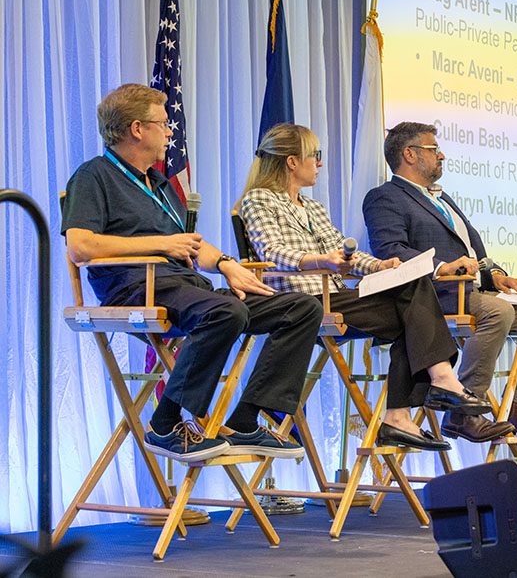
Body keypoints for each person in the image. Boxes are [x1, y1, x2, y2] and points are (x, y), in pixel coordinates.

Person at [61, 83, 324, 463]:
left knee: (300, 308)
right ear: (137, 128)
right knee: (225, 312)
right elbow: (81, 246)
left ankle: (247, 419)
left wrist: (225, 265)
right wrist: (160, 245)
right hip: (135, 286)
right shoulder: (93, 176)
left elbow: (189, 244)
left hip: (184, 286)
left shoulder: (160, 184)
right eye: (163, 124)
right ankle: (165, 424)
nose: (170, 132)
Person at [237, 123, 492, 451]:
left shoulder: (311, 207)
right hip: (302, 300)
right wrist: (322, 261)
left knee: (413, 293)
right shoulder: (258, 200)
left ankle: (402, 414)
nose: (319, 163)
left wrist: (381, 266)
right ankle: (434, 386)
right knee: (415, 314)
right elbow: (272, 253)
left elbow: (346, 251)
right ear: (291, 161)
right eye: (315, 156)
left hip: (338, 295)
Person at [363, 121, 517, 443]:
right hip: (435, 295)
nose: (441, 155)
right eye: (433, 149)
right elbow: (391, 251)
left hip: (475, 288)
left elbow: (471, 251)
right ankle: (463, 413)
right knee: (498, 312)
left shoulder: (442, 198)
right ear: (410, 154)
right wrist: (443, 267)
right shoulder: (385, 197)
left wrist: (495, 274)